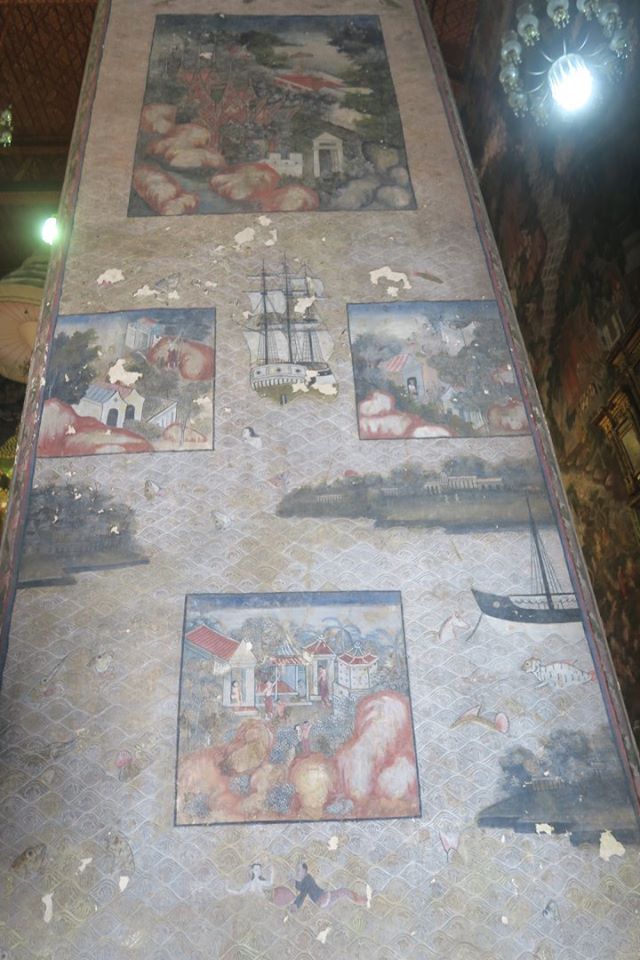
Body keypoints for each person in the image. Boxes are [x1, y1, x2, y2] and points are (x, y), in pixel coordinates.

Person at [291, 862, 367, 911]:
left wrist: (296, 904)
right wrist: (296, 904)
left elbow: (301, 890)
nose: (297, 872)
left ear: (305, 871)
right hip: (323, 898)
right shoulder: (306, 879)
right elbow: (303, 892)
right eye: (297, 870)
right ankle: (362, 900)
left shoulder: (307, 878)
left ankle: (361, 900)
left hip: (322, 899)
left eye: (299, 870)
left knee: (343, 892)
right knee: (344, 891)